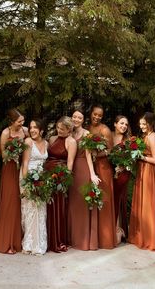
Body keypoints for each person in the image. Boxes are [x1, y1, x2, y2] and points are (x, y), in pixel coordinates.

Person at [0, 108, 28, 254]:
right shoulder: (5, 133)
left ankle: (17, 240)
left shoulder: (25, 131)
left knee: (18, 202)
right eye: (19, 121)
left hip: (21, 168)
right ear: (12, 121)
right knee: (9, 202)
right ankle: (6, 241)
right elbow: (3, 156)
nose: (22, 123)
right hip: (9, 169)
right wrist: (12, 153)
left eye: (22, 121)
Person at [67, 109, 100, 250]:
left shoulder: (86, 134)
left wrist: (92, 174)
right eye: (74, 116)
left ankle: (84, 240)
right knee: (72, 204)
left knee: (81, 203)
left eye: (79, 117)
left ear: (83, 120)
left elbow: (88, 155)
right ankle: (72, 238)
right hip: (70, 168)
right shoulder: (69, 132)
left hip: (82, 169)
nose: (76, 119)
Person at [129, 112, 155, 251]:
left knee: (148, 205)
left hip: (150, 172)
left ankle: (150, 239)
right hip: (143, 171)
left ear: (151, 123)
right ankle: (142, 236)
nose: (141, 126)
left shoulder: (152, 138)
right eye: (140, 124)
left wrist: (141, 157)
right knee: (142, 203)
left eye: (144, 124)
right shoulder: (145, 136)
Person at [45, 116, 77, 252]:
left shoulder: (71, 142)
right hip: (47, 175)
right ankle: (46, 240)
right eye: (57, 128)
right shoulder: (52, 139)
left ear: (69, 129)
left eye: (62, 129)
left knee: (58, 209)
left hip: (60, 177)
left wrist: (64, 181)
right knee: (47, 208)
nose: (59, 131)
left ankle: (57, 239)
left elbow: (70, 163)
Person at [88, 104, 116, 249]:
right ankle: (93, 237)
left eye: (100, 115)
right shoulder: (87, 128)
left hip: (103, 166)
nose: (97, 117)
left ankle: (105, 239)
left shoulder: (104, 129)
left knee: (104, 199)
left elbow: (110, 150)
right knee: (91, 198)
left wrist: (97, 154)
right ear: (91, 113)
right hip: (90, 166)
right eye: (95, 114)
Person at [20, 119, 48, 255]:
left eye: (35, 127)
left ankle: (39, 244)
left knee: (40, 210)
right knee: (30, 211)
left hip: (41, 179)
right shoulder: (28, 142)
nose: (32, 130)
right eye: (30, 127)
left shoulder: (46, 143)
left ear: (41, 130)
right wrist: (25, 184)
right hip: (29, 177)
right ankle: (29, 244)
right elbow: (25, 164)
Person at [112, 115, 131, 242]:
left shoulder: (128, 140)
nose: (124, 126)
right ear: (115, 124)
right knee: (110, 199)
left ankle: (118, 229)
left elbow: (131, 159)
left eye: (126, 124)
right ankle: (109, 228)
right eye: (121, 123)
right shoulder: (109, 136)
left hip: (122, 173)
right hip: (109, 172)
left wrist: (123, 167)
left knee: (118, 198)